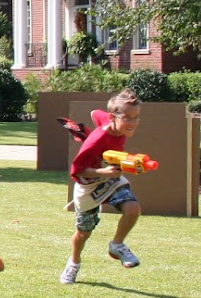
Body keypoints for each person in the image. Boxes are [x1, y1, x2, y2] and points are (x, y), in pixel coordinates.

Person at [61, 89, 144, 284]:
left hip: (110, 179)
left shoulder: (116, 126)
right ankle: (74, 262)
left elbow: (95, 113)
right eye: (127, 118)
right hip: (88, 185)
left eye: (136, 117)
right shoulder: (97, 139)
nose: (132, 123)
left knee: (133, 208)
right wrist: (103, 172)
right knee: (83, 233)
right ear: (112, 117)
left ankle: (117, 244)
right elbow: (77, 170)